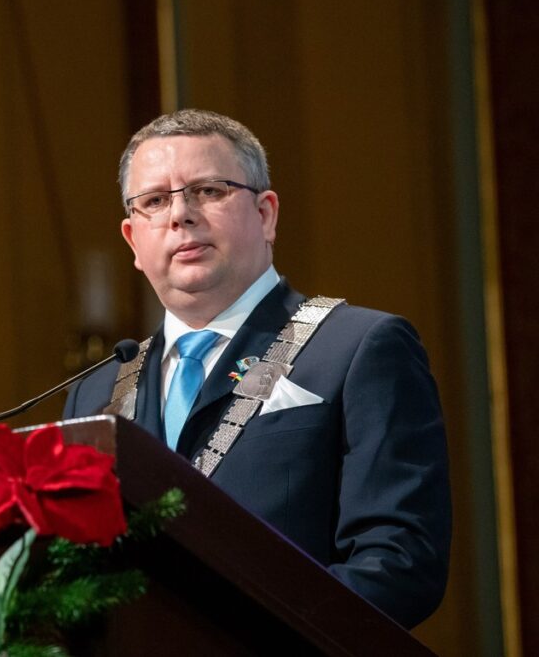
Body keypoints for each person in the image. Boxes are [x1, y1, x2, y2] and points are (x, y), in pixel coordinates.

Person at [62, 109, 451, 629]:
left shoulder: (358, 347)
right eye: (155, 201)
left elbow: (399, 564)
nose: (180, 215)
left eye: (208, 190)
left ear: (266, 214)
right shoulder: (93, 395)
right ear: (133, 240)